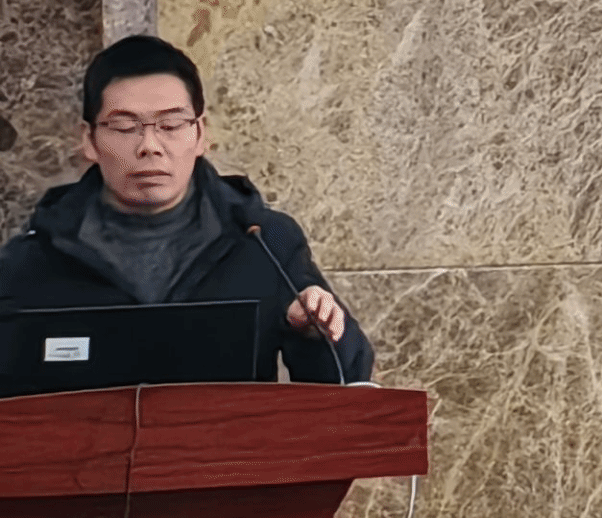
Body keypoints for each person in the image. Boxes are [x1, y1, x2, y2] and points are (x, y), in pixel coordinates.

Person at [0, 34, 373, 383]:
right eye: (125, 127)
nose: (150, 146)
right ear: (89, 140)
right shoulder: (33, 259)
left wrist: (314, 334)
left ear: (200, 133)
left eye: (171, 124)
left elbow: (347, 383)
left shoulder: (264, 241)